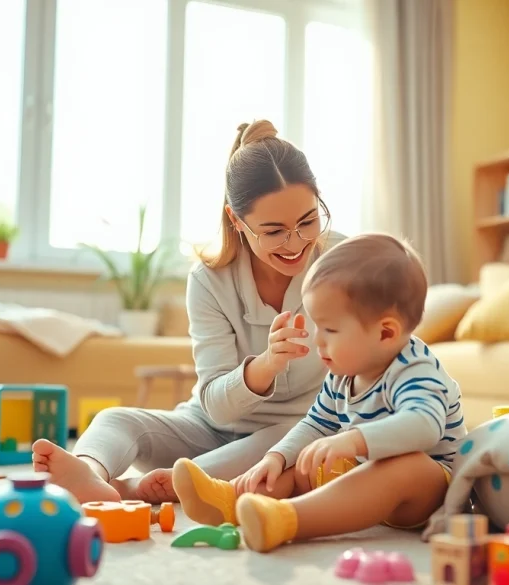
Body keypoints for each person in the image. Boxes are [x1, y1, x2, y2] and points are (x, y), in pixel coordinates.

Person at [32, 120, 343, 504]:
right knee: (115, 420)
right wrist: (266, 364)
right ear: (236, 220)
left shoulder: (343, 261)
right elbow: (215, 404)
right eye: (274, 231)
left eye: (308, 220)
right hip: (209, 426)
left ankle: (175, 483)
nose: (296, 243)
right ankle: (92, 475)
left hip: (292, 432)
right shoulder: (210, 279)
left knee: (294, 436)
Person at [171, 233, 467, 552]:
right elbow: (315, 424)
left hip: (431, 493)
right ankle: (231, 499)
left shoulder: (415, 370)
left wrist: (351, 440)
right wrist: (275, 457)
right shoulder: (343, 373)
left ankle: (287, 519)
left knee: (405, 466)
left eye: (331, 329)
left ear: (386, 332)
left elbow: (424, 425)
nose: (318, 341)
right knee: (304, 458)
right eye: (316, 327)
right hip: (365, 479)